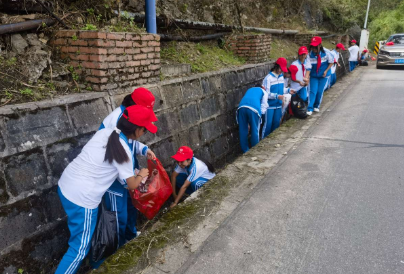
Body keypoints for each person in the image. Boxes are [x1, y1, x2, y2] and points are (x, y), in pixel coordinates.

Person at [56, 105, 158, 274]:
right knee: (78, 249)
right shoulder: (124, 151)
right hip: (83, 198)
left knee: (89, 231)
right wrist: (141, 174)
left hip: (66, 185)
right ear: (138, 130)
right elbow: (131, 185)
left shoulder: (106, 132)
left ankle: (98, 263)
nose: (144, 133)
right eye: (145, 130)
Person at [98, 87, 157, 250]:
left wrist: (144, 149)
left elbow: (130, 142)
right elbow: (114, 155)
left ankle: (130, 237)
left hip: (126, 173)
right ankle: (115, 251)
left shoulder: (131, 117)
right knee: (118, 217)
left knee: (131, 206)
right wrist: (134, 179)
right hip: (114, 179)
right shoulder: (115, 122)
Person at [261, 57, 294, 138]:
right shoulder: (268, 78)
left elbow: (281, 89)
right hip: (270, 106)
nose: (280, 71)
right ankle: (263, 141)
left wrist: (288, 90)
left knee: (276, 123)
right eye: (280, 68)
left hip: (278, 105)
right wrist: (276, 96)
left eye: (282, 69)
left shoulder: (281, 77)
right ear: (276, 66)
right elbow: (266, 93)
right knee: (268, 125)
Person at [236, 84, 269, 153]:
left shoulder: (249, 89)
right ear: (263, 87)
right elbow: (264, 105)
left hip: (241, 107)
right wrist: (260, 116)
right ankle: (255, 150)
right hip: (254, 109)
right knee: (255, 130)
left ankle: (245, 150)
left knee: (242, 130)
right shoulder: (263, 91)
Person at [307, 36, 334, 116]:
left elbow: (332, 62)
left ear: (319, 45)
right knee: (312, 91)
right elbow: (308, 67)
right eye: (312, 46)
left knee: (320, 91)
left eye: (315, 47)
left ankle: (316, 105)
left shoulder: (326, 52)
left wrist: (326, 71)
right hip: (314, 76)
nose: (314, 48)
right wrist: (307, 76)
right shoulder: (309, 55)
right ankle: (310, 108)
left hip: (324, 75)